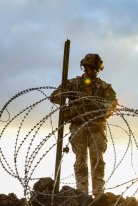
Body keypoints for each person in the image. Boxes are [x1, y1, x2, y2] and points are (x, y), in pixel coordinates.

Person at [50, 53, 118, 197]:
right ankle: (82, 193)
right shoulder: (73, 84)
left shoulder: (104, 87)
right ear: (84, 67)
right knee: (80, 161)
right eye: (89, 68)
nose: (92, 71)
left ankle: (98, 193)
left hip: (96, 127)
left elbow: (112, 103)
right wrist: (66, 95)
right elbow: (54, 97)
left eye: (95, 69)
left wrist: (97, 106)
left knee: (97, 160)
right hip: (78, 126)